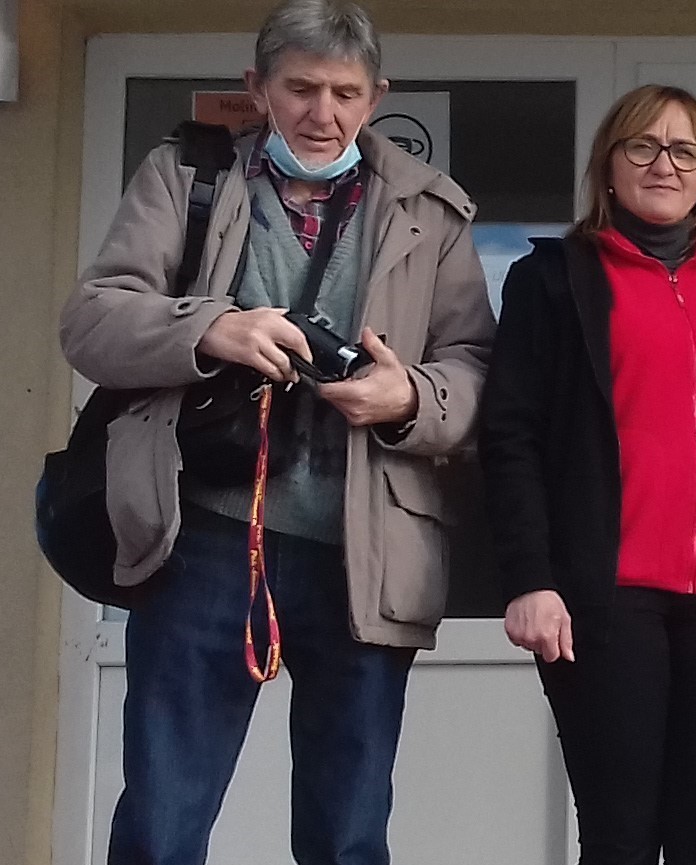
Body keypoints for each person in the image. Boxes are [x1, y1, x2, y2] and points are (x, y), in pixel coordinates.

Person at [58, 1, 495, 862]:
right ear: (257, 88)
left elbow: (478, 372)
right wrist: (210, 329)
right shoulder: (186, 175)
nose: (321, 113)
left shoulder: (432, 209)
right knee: (161, 825)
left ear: (377, 97)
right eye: (300, 89)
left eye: (345, 92)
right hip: (202, 535)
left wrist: (407, 396)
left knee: (348, 833)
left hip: (366, 550)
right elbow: (91, 320)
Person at [480, 83, 696, 865]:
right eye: (643, 145)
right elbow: (510, 435)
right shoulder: (554, 279)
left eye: (684, 151)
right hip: (605, 597)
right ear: (608, 163)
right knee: (620, 837)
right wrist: (529, 577)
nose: (664, 164)